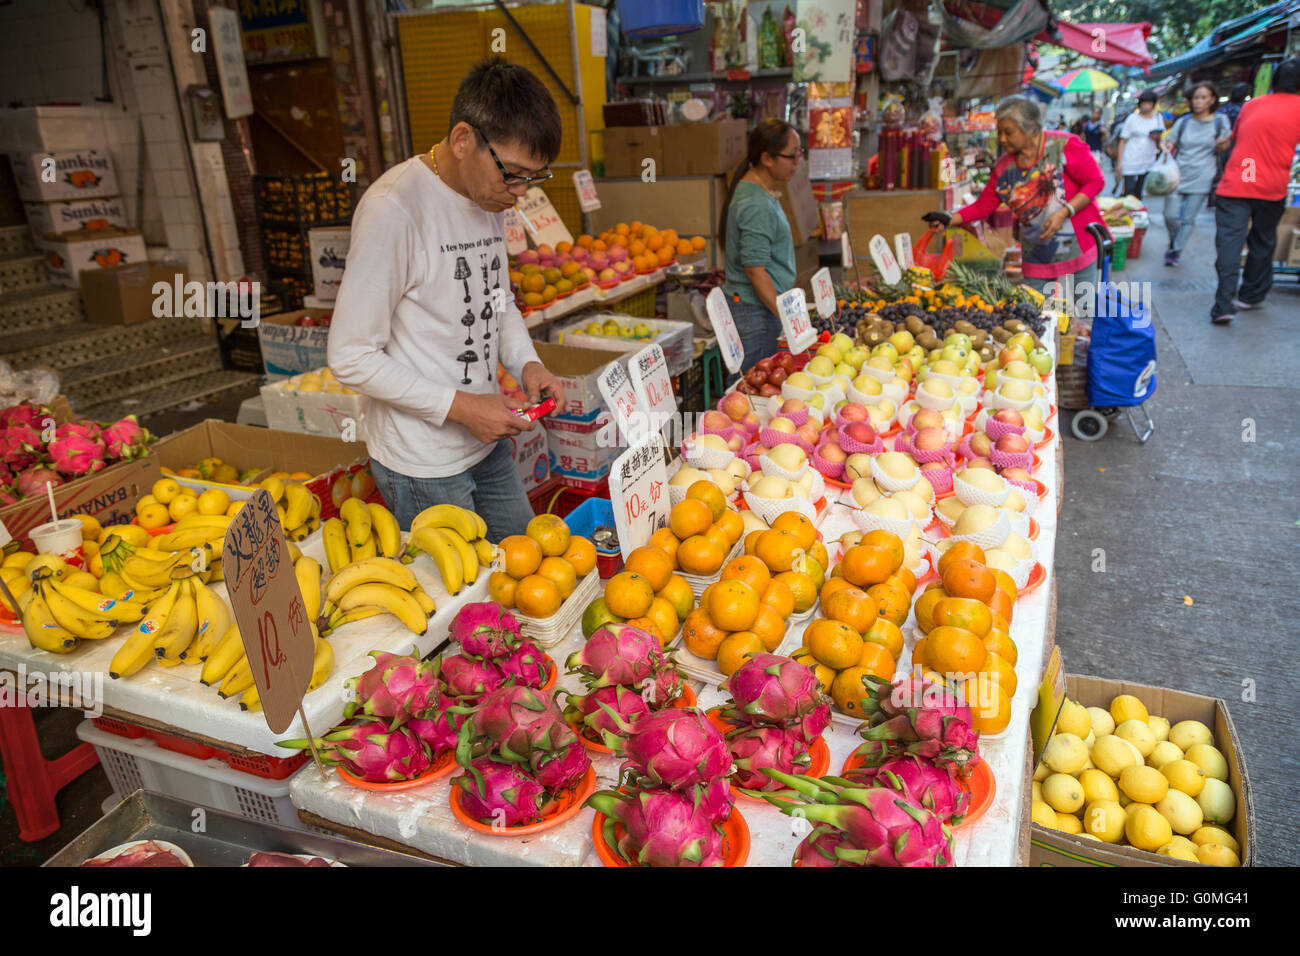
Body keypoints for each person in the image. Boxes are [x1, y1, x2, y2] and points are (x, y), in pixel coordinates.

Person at [327, 57, 568, 539]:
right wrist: (463, 408)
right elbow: (349, 355)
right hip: (422, 463)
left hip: (486, 439)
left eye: (533, 179)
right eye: (513, 174)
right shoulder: (393, 210)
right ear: (463, 140)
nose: (519, 193)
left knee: (522, 570)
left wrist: (528, 364)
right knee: (464, 604)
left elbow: (496, 301)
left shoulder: (488, 198)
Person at [922, 95, 1107, 297]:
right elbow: (983, 206)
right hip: (1036, 254)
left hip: (1080, 245)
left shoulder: (1064, 146)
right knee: (1034, 312)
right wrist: (948, 218)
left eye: (1008, 132)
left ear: (1032, 129)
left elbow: (1095, 182)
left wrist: (1065, 211)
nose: (1002, 139)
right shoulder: (1004, 169)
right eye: (999, 132)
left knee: (1085, 313)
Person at [1209, 58, 1300, 324]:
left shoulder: (1252, 104)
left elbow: (1236, 140)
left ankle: (1223, 304)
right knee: (1263, 239)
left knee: (1230, 243)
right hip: (1272, 186)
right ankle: (1250, 296)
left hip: (1238, 181)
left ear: (1273, 81)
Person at [719, 118, 803, 365]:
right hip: (756, 313)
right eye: (792, 156)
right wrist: (787, 317)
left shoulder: (756, 191)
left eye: (800, 153)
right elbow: (755, 271)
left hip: (757, 309)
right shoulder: (755, 203)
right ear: (767, 159)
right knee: (749, 395)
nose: (798, 163)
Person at [1162, 81, 1232, 266]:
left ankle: (1175, 251)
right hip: (1177, 174)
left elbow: (1226, 146)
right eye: (1195, 98)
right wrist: (1166, 146)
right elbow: (1169, 142)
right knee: (1169, 215)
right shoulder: (1183, 122)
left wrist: (1221, 143)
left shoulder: (1220, 121)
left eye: (1203, 97)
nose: (1198, 102)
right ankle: (1175, 242)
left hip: (1203, 175)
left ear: (1212, 100)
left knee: (1188, 219)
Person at [1115, 90, 1166, 198]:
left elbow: (1161, 138)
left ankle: (1138, 212)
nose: (1146, 106)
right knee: (1129, 190)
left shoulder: (1158, 118)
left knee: (1140, 189)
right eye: (1144, 103)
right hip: (1131, 157)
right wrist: (1119, 162)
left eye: (1149, 103)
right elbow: (1122, 140)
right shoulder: (1132, 119)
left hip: (1148, 158)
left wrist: (1157, 138)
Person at [1208, 83, 1250, 206]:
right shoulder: (1246, 109)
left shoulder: (1222, 109)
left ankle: (1218, 197)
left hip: (1221, 145)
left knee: (1220, 171)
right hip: (1238, 146)